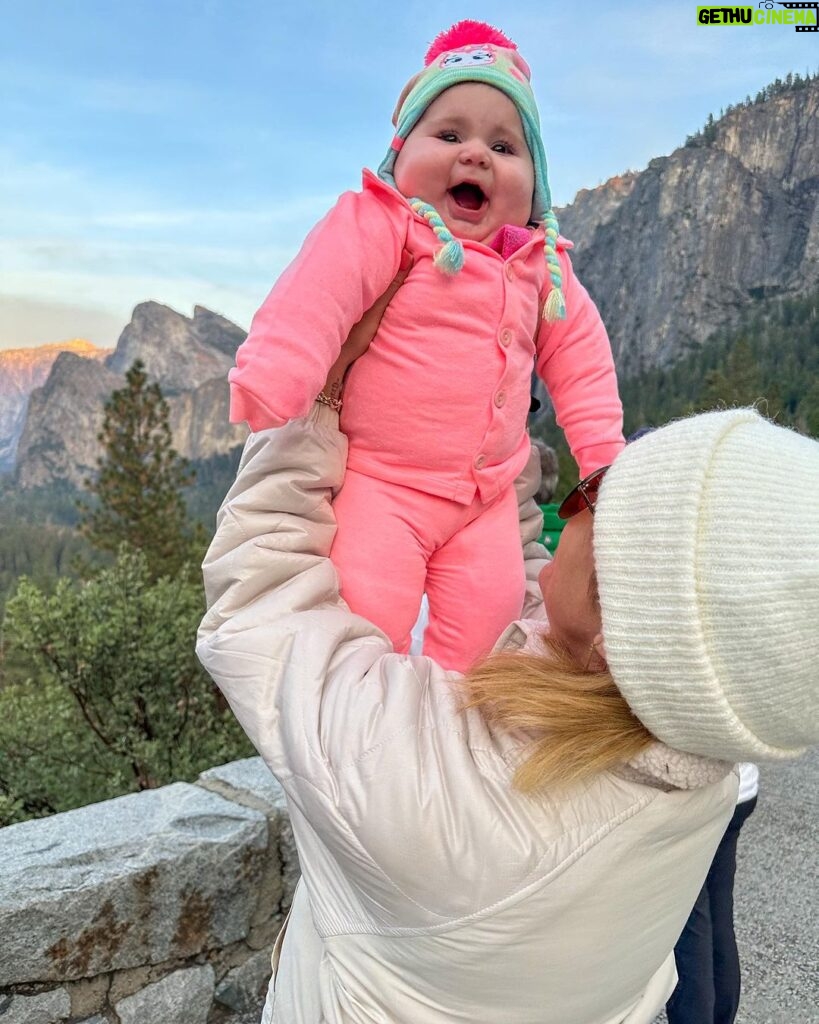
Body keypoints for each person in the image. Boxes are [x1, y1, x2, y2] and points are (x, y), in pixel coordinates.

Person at [197, 403, 819, 1024]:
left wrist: (315, 404)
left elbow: (260, 609)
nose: (574, 502)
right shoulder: (694, 765)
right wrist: (495, 466)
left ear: (617, 623)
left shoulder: (431, 797)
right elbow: (539, 623)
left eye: (597, 489)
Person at [227, 20, 624, 672]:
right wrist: (274, 371)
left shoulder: (541, 266)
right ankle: (364, 732)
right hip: (384, 484)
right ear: (399, 155)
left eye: (503, 145)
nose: (475, 155)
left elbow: (581, 362)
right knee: (365, 615)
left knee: (485, 632)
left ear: (535, 186)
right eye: (448, 135)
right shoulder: (383, 222)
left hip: (486, 502)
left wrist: (603, 459)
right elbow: (316, 292)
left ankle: (444, 740)